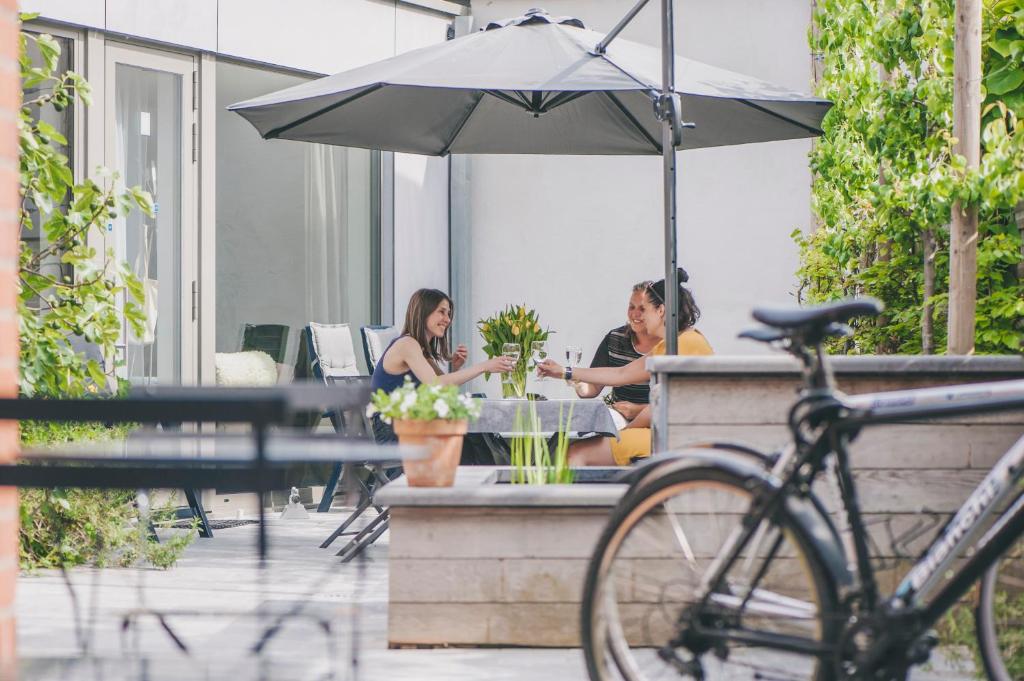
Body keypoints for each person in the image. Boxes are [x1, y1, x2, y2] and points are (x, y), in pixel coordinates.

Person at [537, 269, 712, 465]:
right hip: (683, 434)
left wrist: (626, 433)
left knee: (575, 454)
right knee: (579, 448)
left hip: (679, 439)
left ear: (661, 310)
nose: (639, 316)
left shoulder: (678, 344)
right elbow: (657, 399)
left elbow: (623, 375)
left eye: (644, 309)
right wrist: (565, 372)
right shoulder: (686, 340)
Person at [370, 288, 515, 443]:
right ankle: (502, 462)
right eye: (442, 312)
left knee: (474, 421)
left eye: (448, 314)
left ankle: (498, 461)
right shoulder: (407, 344)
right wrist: (484, 367)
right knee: (472, 431)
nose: (447, 319)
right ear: (423, 312)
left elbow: (442, 389)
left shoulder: (420, 349)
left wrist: (455, 369)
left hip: (410, 423)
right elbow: (435, 385)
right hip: (393, 429)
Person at [575, 281, 661, 429]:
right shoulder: (615, 338)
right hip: (619, 417)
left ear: (658, 311)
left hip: (657, 420)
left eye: (642, 308)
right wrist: (576, 380)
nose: (635, 314)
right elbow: (592, 388)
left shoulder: (669, 345)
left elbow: (677, 404)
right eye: (631, 307)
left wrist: (637, 410)